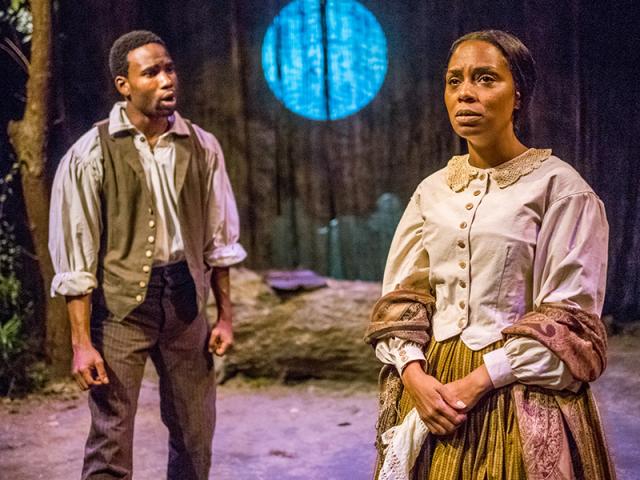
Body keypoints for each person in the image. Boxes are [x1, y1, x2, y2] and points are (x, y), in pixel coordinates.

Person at [364, 30, 615, 479]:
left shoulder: (560, 189)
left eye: (485, 79)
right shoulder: (433, 190)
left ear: (517, 95)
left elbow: (571, 321)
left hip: (518, 390)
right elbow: (402, 298)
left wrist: (477, 382)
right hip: (434, 385)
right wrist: (414, 378)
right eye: (454, 80)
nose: (465, 94)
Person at [49, 30, 247, 479]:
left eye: (169, 68)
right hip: (120, 309)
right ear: (124, 84)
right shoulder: (91, 152)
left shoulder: (201, 145)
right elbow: (77, 258)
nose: (166, 80)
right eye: (151, 72)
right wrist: (82, 344)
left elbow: (218, 241)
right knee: (111, 439)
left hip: (184, 300)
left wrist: (225, 315)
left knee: (195, 435)